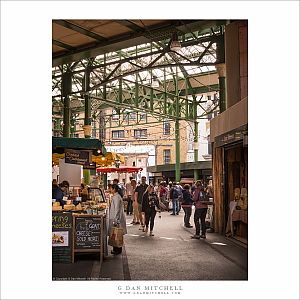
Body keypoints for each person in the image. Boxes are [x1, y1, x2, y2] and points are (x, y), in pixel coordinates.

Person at [108, 184, 127, 255]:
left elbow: (117, 209)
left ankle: (117, 250)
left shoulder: (116, 197)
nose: (110, 190)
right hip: (116, 218)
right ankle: (117, 249)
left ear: (114, 189)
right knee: (116, 234)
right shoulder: (116, 196)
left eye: (110, 188)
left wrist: (116, 220)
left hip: (116, 219)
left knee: (116, 234)